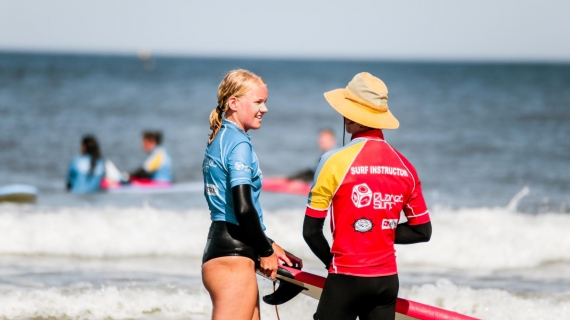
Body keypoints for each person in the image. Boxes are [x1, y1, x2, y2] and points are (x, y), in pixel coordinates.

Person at [303, 72, 432, 320]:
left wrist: (333, 263)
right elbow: (422, 231)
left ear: (352, 117)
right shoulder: (405, 167)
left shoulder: (333, 161)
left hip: (346, 278)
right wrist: (378, 231)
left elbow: (311, 231)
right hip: (386, 282)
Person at [201, 69, 297, 320]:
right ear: (234, 102)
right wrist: (264, 251)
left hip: (222, 249)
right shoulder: (239, 144)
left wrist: (269, 244)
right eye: (258, 102)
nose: (264, 109)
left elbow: (231, 208)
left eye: (264, 102)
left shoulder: (220, 137)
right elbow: (243, 208)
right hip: (233, 260)